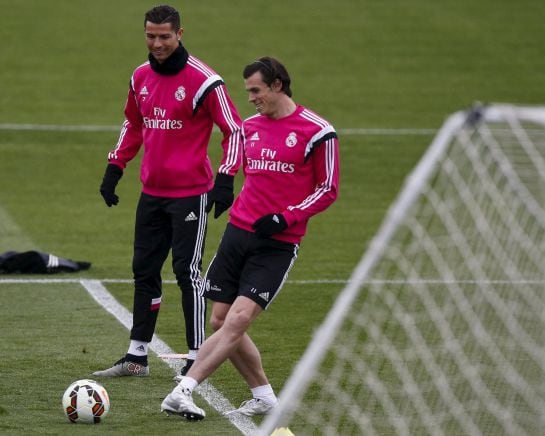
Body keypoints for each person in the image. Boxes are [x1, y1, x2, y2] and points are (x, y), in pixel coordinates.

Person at [161, 56, 340, 420]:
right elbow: (233, 161)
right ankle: (265, 398)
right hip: (237, 234)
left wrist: (285, 216)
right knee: (220, 320)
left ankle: (184, 390)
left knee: (238, 320)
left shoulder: (318, 131)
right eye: (248, 92)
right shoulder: (251, 126)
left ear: (277, 85)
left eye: (256, 90)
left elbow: (327, 188)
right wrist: (221, 185)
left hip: (277, 243)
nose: (251, 98)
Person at [93, 5, 242, 378]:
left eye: (163, 36)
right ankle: (136, 356)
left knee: (186, 271)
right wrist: (116, 166)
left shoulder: (206, 81)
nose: (156, 43)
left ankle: (196, 356)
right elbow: (134, 123)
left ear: (179, 33)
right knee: (143, 271)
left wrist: (226, 177)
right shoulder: (140, 76)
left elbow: (234, 130)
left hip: (191, 193)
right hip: (152, 193)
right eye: (150, 36)